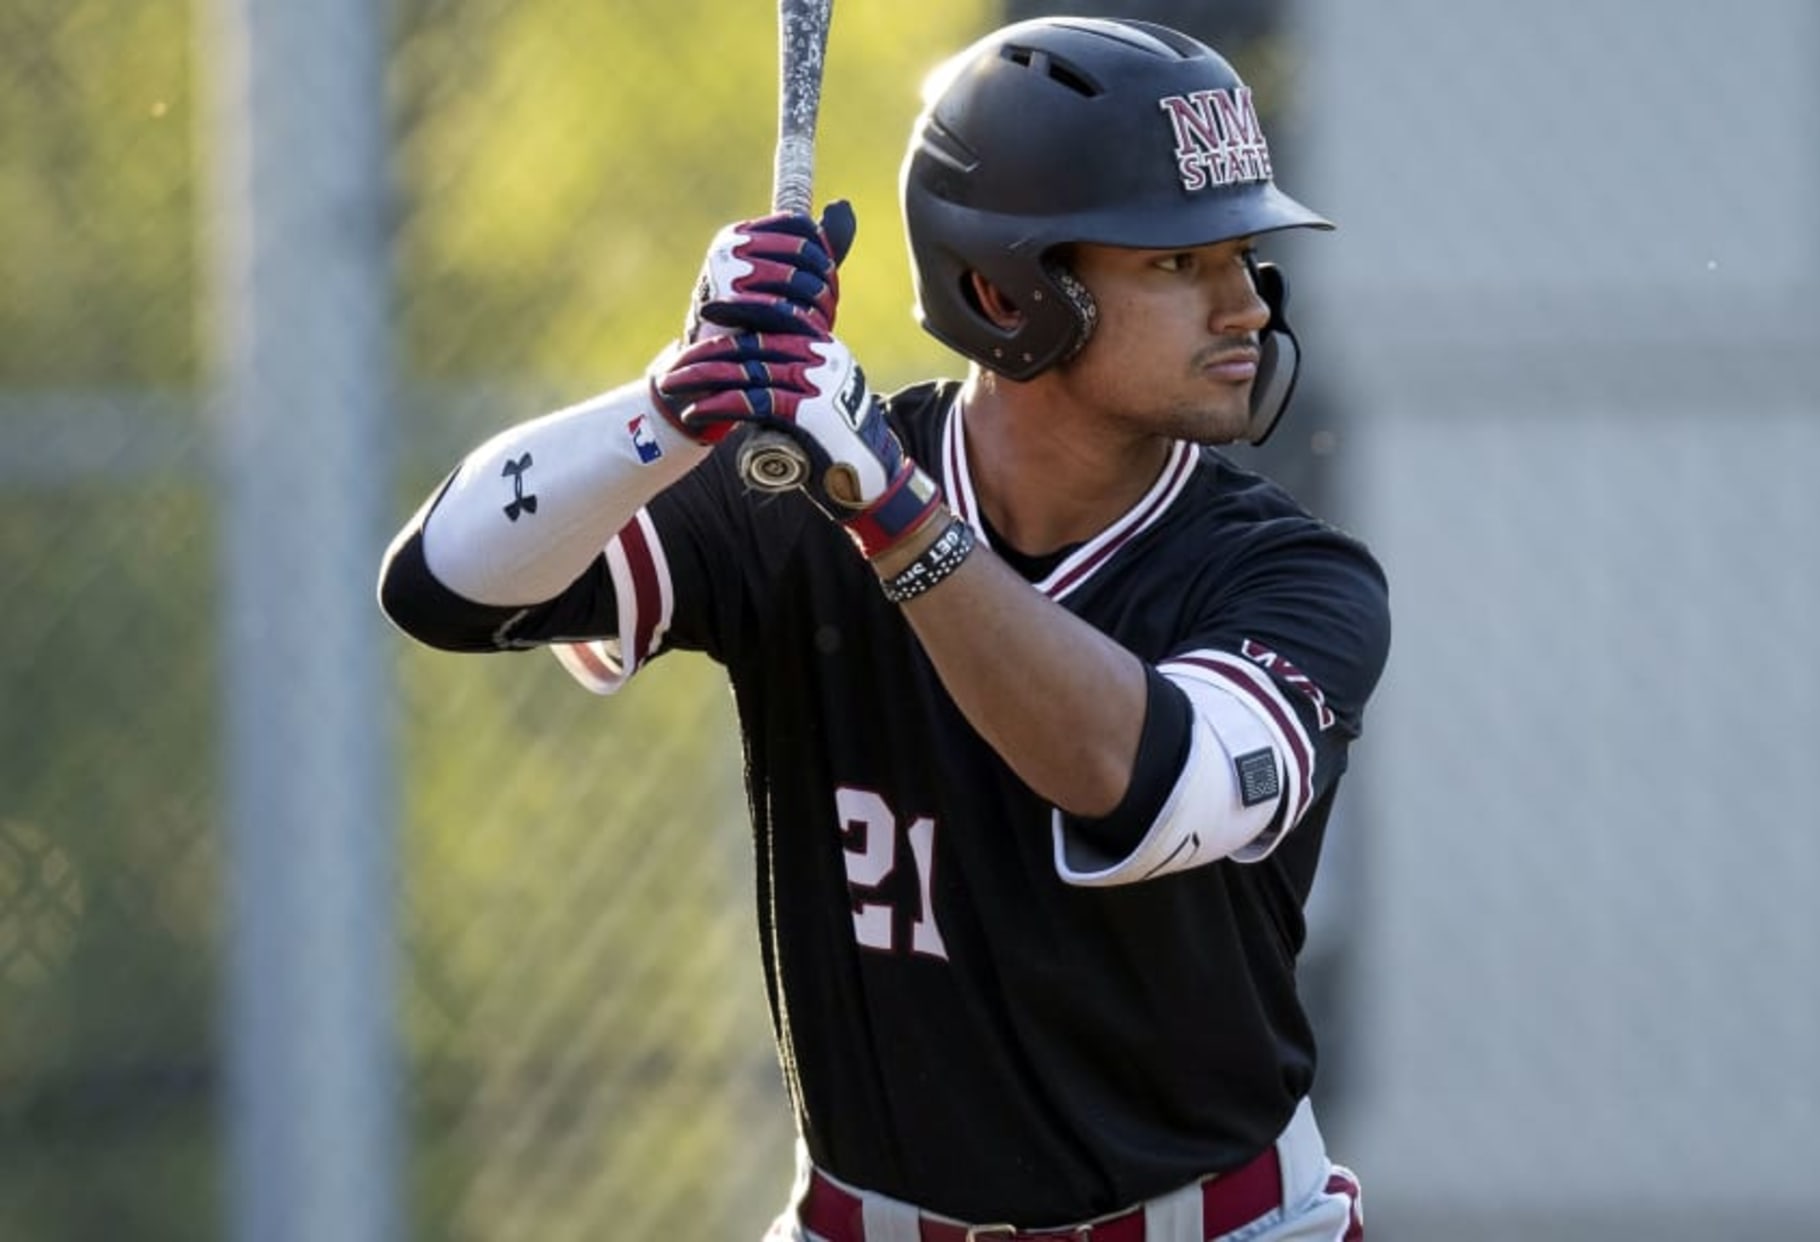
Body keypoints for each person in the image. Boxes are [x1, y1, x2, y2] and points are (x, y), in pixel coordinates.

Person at [379, 16, 1388, 1241]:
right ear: (1004, 293)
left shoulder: (1293, 575)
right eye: (1178, 262)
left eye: (1242, 255)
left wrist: (893, 515)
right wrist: (672, 403)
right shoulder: (809, 492)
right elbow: (443, 586)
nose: (1245, 306)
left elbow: (1135, 780)